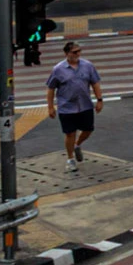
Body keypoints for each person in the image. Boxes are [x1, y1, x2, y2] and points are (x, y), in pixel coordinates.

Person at [43, 41, 102, 174]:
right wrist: (50, 107)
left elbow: (95, 83)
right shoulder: (58, 69)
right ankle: (70, 159)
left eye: (79, 51)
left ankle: (77, 144)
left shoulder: (87, 66)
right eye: (74, 52)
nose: (78, 54)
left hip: (85, 105)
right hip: (66, 107)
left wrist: (99, 100)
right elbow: (51, 88)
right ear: (66, 53)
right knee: (70, 133)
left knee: (88, 129)